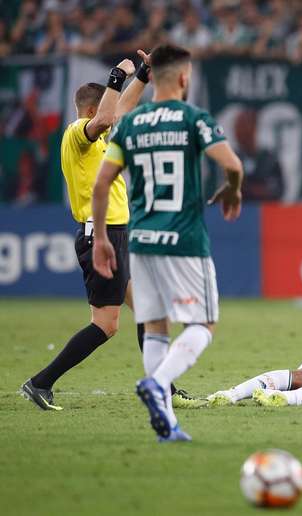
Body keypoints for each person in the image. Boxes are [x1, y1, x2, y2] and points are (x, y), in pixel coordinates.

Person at [20, 52, 202, 410]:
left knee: (149, 311)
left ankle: (163, 386)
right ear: (89, 113)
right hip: (101, 235)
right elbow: (106, 117)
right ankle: (40, 382)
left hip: (117, 233)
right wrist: (116, 76)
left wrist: (144, 77)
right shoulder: (77, 134)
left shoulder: (99, 140)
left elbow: (115, 113)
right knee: (106, 324)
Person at [91, 44, 244, 442]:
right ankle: (159, 384)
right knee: (203, 325)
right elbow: (232, 164)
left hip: (141, 241)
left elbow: (103, 182)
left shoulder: (129, 124)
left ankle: (168, 424)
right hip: (185, 240)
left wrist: (102, 239)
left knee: (156, 329)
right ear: (182, 78)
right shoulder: (193, 119)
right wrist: (233, 190)